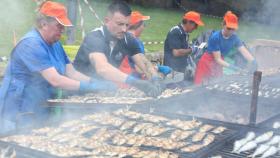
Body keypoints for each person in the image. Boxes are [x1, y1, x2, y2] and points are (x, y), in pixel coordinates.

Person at [0, 1, 115, 132]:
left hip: (39, 103)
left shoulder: (55, 44)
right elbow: (55, 80)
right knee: (17, 142)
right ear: (43, 24)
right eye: (59, 26)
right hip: (19, 108)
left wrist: (93, 81)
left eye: (63, 26)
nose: (62, 30)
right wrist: (87, 87)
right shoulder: (31, 44)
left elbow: (71, 72)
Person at [73, 1, 164, 97]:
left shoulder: (127, 39)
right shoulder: (95, 37)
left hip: (103, 92)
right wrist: (134, 82)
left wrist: (155, 78)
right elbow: (102, 68)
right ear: (107, 21)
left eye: (127, 25)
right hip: (79, 91)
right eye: (120, 24)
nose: (124, 29)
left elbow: (143, 62)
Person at [194, 11, 257, 85]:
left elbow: (244, 51)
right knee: (201, 87)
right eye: (229, 28)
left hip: (219, 63)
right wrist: (234, 68)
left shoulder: (234, 37)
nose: (231, 31)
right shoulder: (215, 37)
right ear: (223, 25)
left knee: (216, 85)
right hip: (207, 62)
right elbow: (217, 59)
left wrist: (253, 61)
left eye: (233, 29)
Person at [119, 11, 172, 79]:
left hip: (124, 77)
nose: (144, 26)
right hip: (132, 79)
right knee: (167, 71)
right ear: (138, 24)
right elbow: (139, 66)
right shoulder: (134, 41)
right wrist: (155, 72)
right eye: (143, 24)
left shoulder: (123, 37)